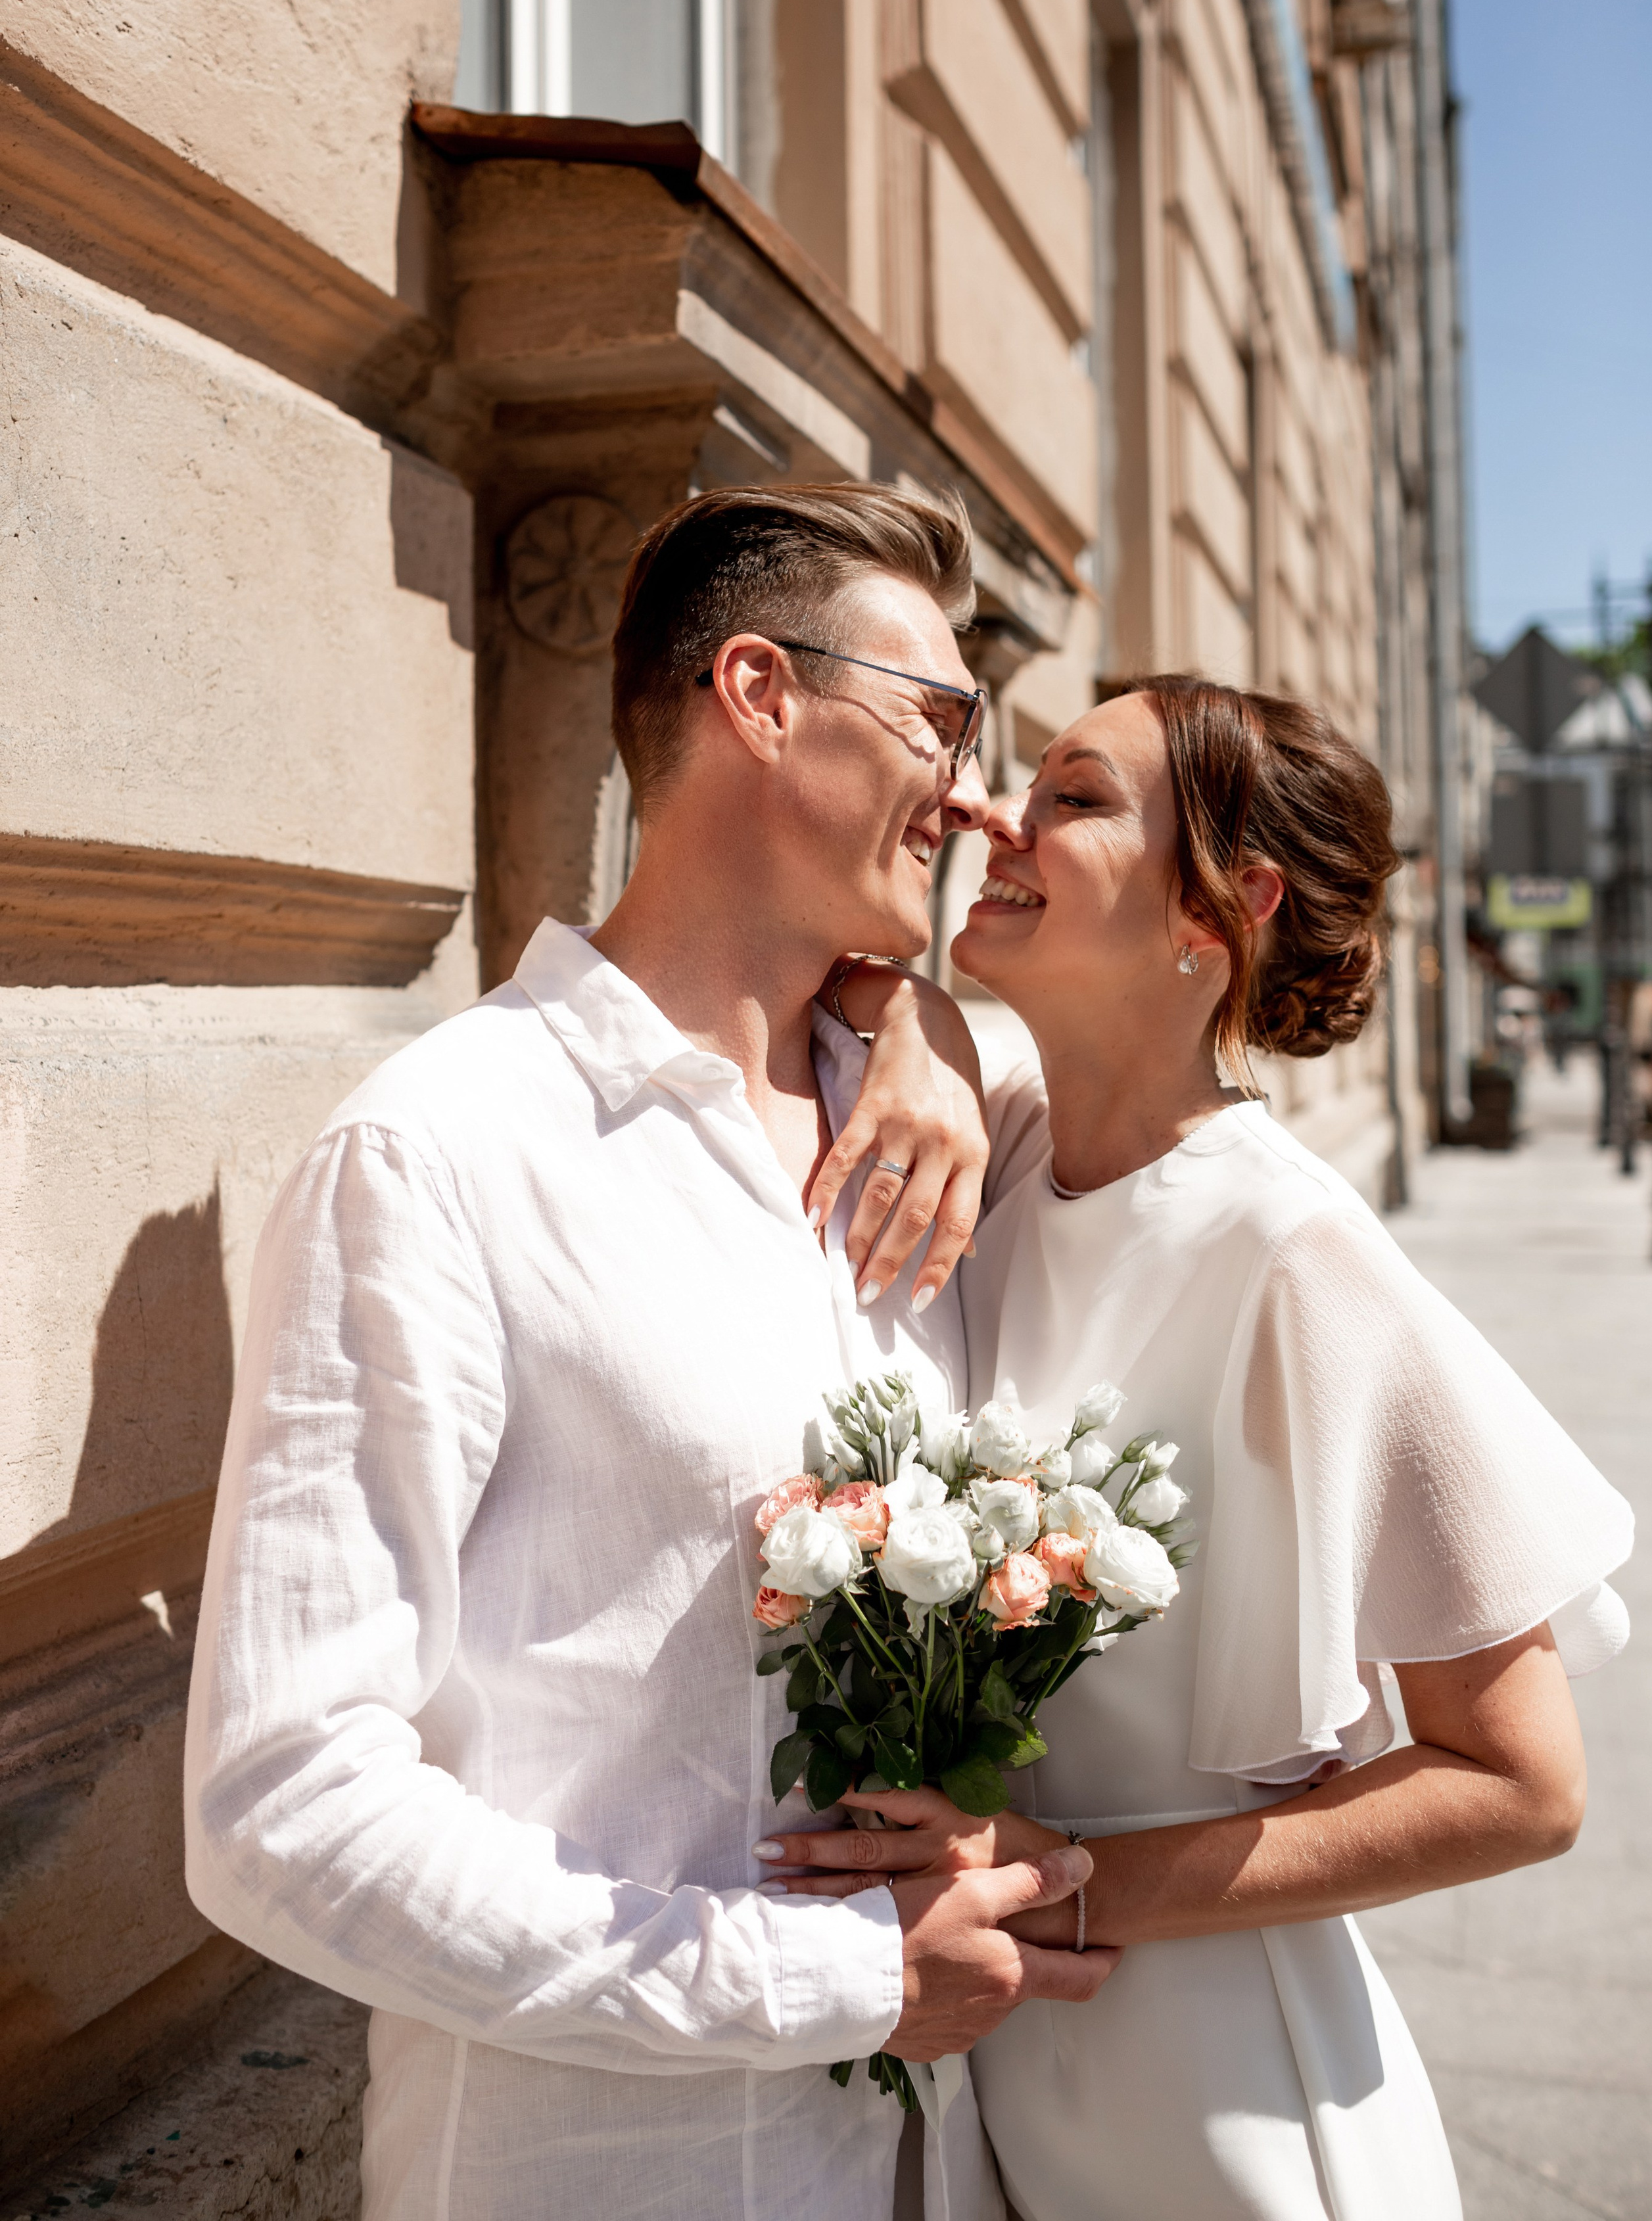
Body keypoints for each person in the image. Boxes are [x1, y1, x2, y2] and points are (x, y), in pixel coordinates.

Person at [183, 485, 1114, 2221]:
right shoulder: (443, 1155)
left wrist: (922, 1008)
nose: (981, 792)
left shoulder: (946, 1133)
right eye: (940, 717)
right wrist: (828, 1981)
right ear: (760, 694)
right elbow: (282, 1810)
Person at [759, 674, 1634, 2221]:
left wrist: (1065, 1880)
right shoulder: (1011, 1149)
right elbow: (820, 964)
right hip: (1017, 2057)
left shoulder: (1294, 1247)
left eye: (1074, 799)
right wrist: (913, 1023)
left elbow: (1522, 1782)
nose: (989, 817)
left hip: (1226, 2087)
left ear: (1221, 910)